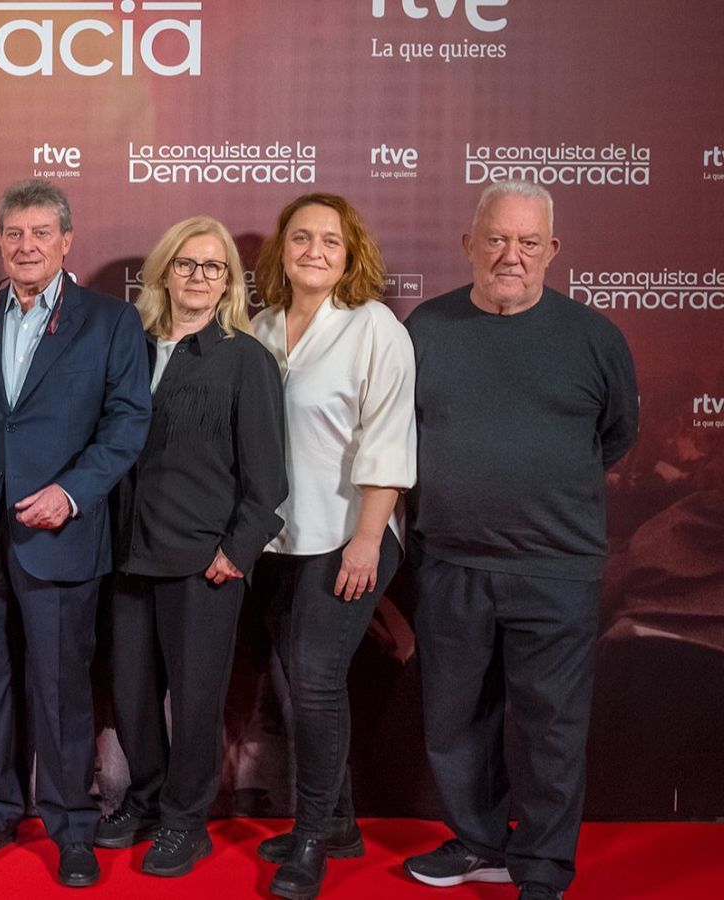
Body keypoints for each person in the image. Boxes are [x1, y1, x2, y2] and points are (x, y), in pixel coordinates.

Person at [401, 181, 638, 900]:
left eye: (529, 242)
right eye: (497, 239)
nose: (512, 255)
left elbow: (616, 435)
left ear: (552, 250)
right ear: (469, 245)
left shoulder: (595, 337)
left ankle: (541, 868)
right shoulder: (426, 327)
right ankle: (477, 842)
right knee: (454, 721)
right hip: (449, 560)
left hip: (556, 567)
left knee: (551, 728)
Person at [0, 179, 151, 887]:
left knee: (62, 689)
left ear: (66, 241)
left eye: (41, 233)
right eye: (14, 233)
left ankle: (71, 824)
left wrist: (72, 492)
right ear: (1, 242)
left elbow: (128, 423)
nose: (26, 245)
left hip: (63, 537)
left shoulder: (110, 322)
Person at [104, 216, 287, 877]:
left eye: (214, 267)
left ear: (229, 281)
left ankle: (186, 822)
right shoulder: (130, 346)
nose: (199, 277)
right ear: (164, 270)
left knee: (195, 699)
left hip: (204, 563)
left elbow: (268, 479)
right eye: (187, 263)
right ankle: (146, 800)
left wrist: (237, 551)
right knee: (130, 695)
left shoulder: (245, 358)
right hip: (127, 555)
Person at [248, 193, 416, 900]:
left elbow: (389, 438)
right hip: (278, 541)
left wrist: (368, 540)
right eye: (301, 237)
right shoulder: (259, 327)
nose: (314, 250)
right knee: (299, 682)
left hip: (351, 535)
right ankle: (339, 824)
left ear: (351, 256)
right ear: (282, 249)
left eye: (330, 240)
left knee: (316, 680)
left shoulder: (374, 326)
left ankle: (312, 835)